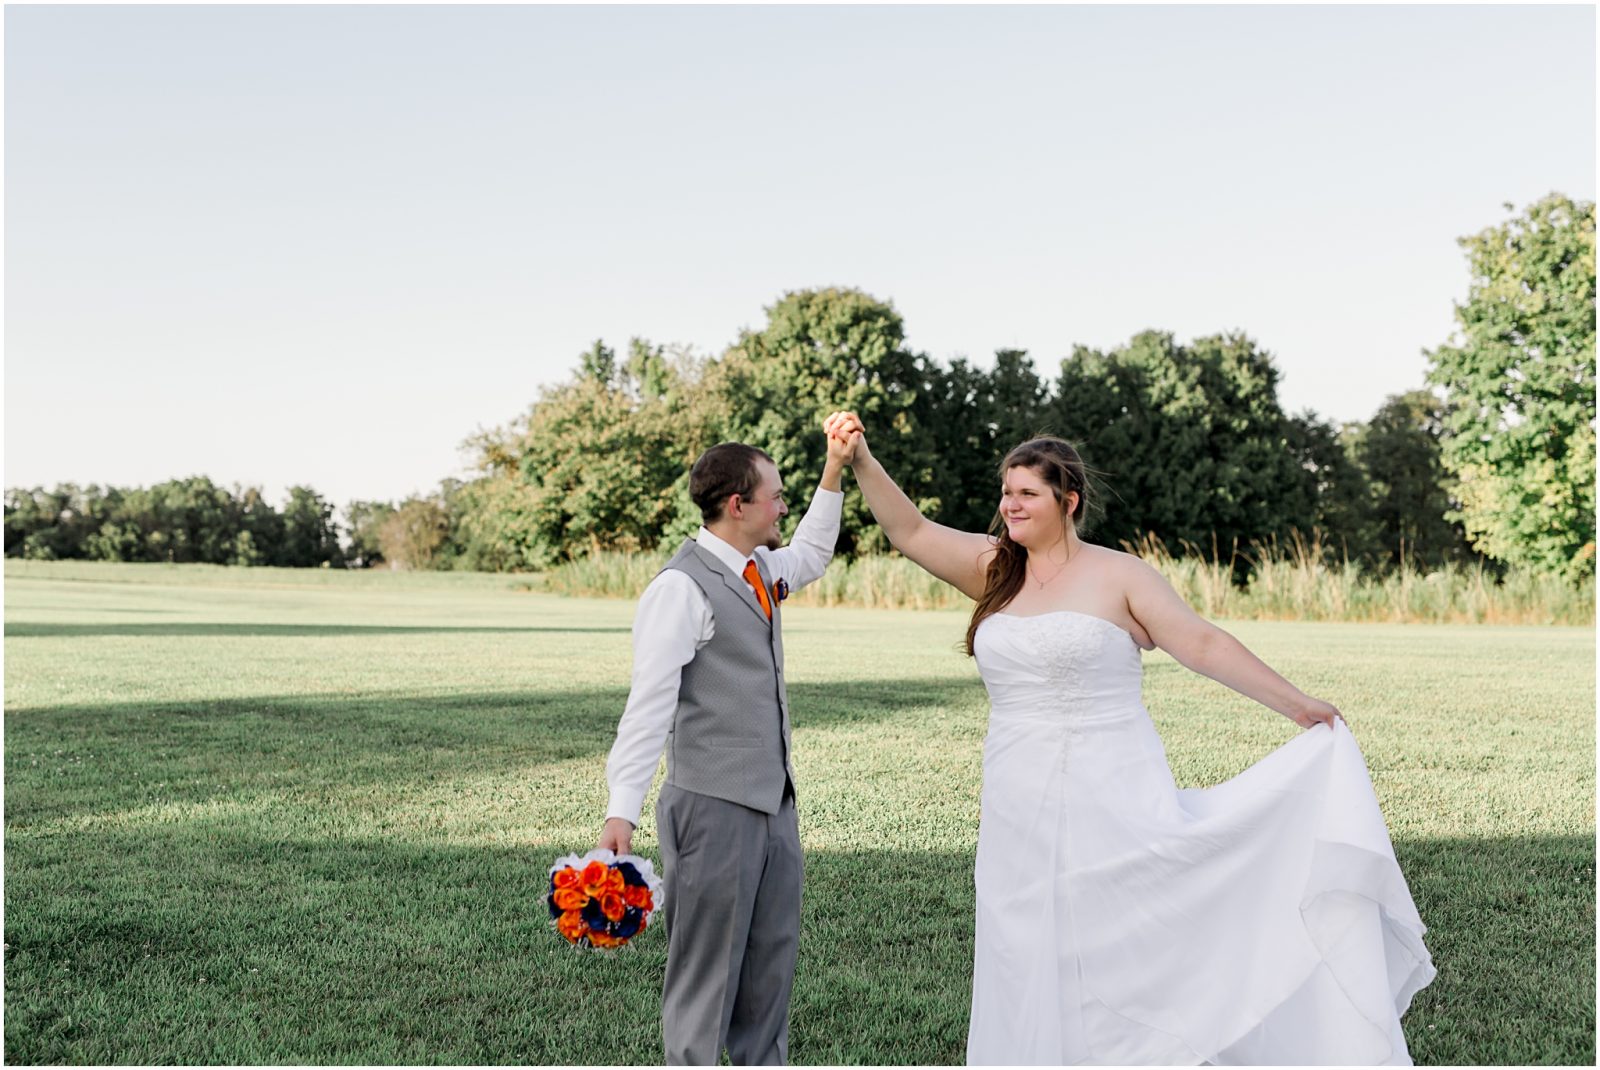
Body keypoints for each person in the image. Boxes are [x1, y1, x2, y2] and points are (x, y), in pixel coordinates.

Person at [823, 412, 1436, 1066]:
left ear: (1069, 501)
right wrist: (858, 457)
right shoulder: (993, 569)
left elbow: (1200, 642)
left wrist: (1297, 705)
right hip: (1016, 801)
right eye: (1006, 492)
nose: (1010, 505)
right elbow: (909, 530)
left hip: (1110, 789)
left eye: (1027, 493)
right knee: (1024, 945)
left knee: (1121, 941)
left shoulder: (1121, 576)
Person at [597, 431, 851, 1065]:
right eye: (776, 498)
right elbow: (649, 705)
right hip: (711, 808)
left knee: (769, 976)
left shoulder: (761, 567)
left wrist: (835, 469)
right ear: (738, 505)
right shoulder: (680, 588)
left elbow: (814, 553)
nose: (783, 509)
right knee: (706, 982)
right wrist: (621, 811)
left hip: (773, 806)